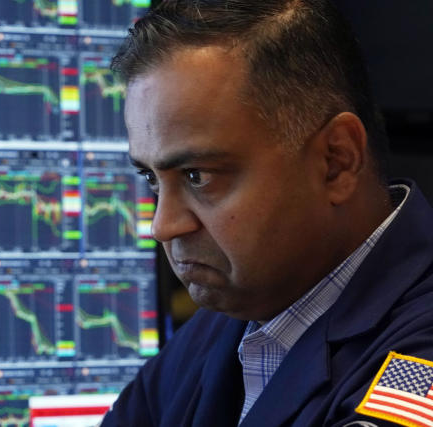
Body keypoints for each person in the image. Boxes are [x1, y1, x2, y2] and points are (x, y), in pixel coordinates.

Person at [101, 0, 433, 426]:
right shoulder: (239, 311)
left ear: (336, 161)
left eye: (197, 175)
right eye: (150, 178)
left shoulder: (416, 366)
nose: (162, 226)